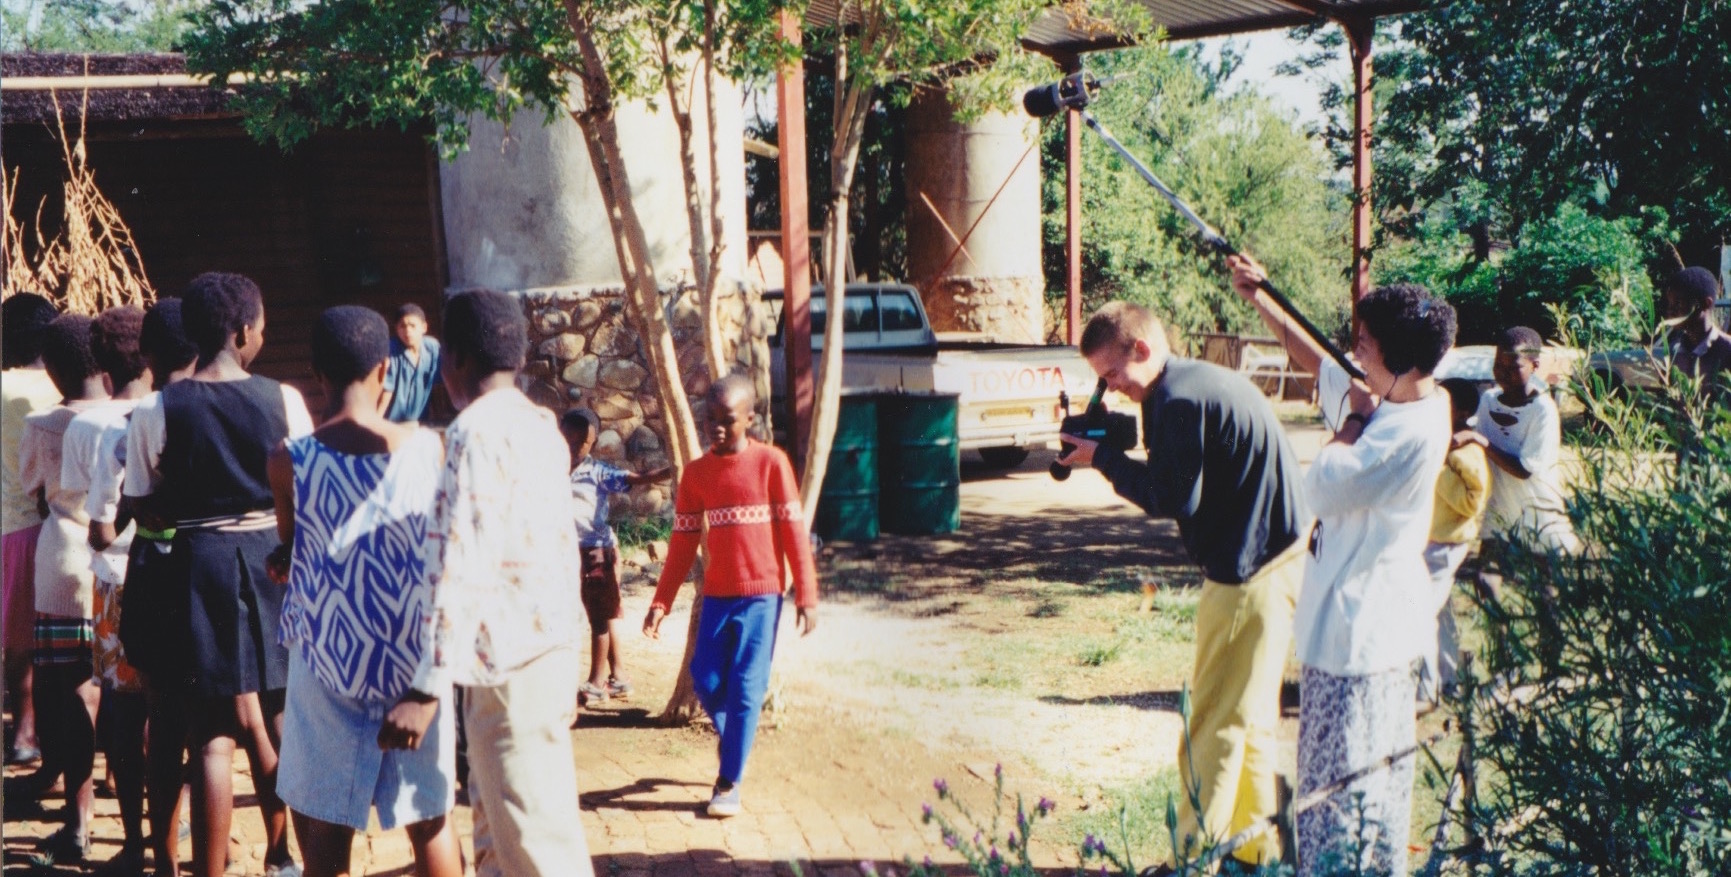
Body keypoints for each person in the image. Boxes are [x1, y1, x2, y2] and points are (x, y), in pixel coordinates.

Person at [1055, 301, 1309, 867]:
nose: (1111, 388)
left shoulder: (1176, 400)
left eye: (1112, 374)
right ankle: (1257, 851)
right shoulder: (1193, 382)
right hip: (1278, 561)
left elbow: (1171, 497)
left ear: (1142, 348)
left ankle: (1191, 860)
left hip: (1247, 577)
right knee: (1249, 718)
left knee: (1210, 723)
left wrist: (1103, 458)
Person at [1230, 254, 1456, 877]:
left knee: (1341, 793)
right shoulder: (1400, 394)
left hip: (1359, 638)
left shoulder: (1404, 432)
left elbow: (1323, 485)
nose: (1353, 352)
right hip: (1365, 631)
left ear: (1399, 361)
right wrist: (1261, 297)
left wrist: (1353, 417)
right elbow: (1320, 362)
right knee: (1363, 785)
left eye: (1364, 343)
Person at [124, 273, 311, 877]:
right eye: (262, 328)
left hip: (196, 568)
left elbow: (142, 499)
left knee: (210, 735)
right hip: (273, 563)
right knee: (282, 719)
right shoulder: (284, 399)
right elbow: (304, 487)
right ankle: (300, 860)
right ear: (243, 331)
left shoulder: (157, 407)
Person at [265, 306, 462, 877]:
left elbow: (292, 540)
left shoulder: (289, 459)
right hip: (412, 657)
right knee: (430, 819)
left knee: (326, 823)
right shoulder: (429, 448)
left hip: (329, 652)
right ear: (385, 370)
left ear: (316, 373)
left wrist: (289, 558)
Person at [416, 288, 592, 877]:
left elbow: (455, 560)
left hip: (509, 666)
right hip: (543, 652)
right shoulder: (541, 427)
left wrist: (425, 686)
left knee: (537, 847)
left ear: (455, 359)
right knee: (497, 827)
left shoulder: (472, 434)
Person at [645, 374, 819, 819]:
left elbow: (794, 533)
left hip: (762, 597)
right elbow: (682, 542)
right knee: (705, 677)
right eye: (710, 419)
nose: (716, 428)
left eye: (727, 420)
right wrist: (661, 602)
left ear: (750, 419)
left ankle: (728, 782)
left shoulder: (772, 464)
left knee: (746, 686)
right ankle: (735, 742)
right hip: (718, 596)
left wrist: (807, 593)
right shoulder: (697, 474)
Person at [17, 313, 113, 860]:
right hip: (122, 566)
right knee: (131, 695)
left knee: (70, 695)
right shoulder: (129, 415)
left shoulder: (43, 425)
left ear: (51, 368)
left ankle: (79, 821)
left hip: (62, 567)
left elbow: (31, 483)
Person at [114, 297, 202, 877]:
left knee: (163, 721)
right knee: (233, 724)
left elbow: (136, 502)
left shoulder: (148, 412)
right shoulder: (233, 401)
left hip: (157, 570)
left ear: (146, 354)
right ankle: (275, 853)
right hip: (215, 572)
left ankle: (165, 860)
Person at [69, 305, 154, 872]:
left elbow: (98, 526)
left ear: (102, 368)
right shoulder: (171, 412)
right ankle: (183, 824)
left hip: (117, 584)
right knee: (175, 712)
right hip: (171, 576)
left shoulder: (96, 427)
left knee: (124, 714)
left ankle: (133, 840)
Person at [560, 407, 671, 707]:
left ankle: (597, 683)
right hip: (570, 552)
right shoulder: (553, 470)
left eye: (580, 443)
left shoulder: (597, 471)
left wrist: (672, 470)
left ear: (593, 443)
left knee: (599, 618)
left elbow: (636, 478)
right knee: (604, 615)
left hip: (597, 553)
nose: (572, 447)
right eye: (566, 439)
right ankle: (619, 676)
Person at [2, 292, 62, 767]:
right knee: (64, 643)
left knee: (18, 638)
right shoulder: (67, 385)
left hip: (11, 527)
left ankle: (24, 732)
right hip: (63, 527)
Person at [1458, 327, 1582, 557]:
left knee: (1542, 574)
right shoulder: (1488, 400)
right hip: (1499, 510)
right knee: (1488, 570)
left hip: (1537, 512)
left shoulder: (1542, 410)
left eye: (1513, 368)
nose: (1503, 373)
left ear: (1535, 365)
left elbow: (1525, 469)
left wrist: (1479, 440)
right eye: (1498, 365)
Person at [1417, 378, 1491, 707]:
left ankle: (1425, 690)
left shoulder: (1466, 451)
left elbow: (1471, 502)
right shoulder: (1442, 442)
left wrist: (1439, 468)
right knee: (1440, 614)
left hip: (1447, 545)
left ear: (1460, 413)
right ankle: (1451, 680)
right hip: (1430, 541)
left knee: (1420, 613)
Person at [1661, 266, 1729, 396]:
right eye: (1670, 304)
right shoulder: (1673, 352)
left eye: (1678, 303)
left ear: (1706, 304)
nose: (1670, 311)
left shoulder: (1727, 351)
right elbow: (1665, 398)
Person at [379, 303, 442, 423]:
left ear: (424, 327)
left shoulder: (432, 347)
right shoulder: (391, 350)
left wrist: (438, 418)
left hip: (419, 421)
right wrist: (377, 422)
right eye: (402, 326)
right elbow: (386, 391)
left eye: (413, 326)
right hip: (392, 421)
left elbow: (437, 385)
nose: (407, 331)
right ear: (396, 329)